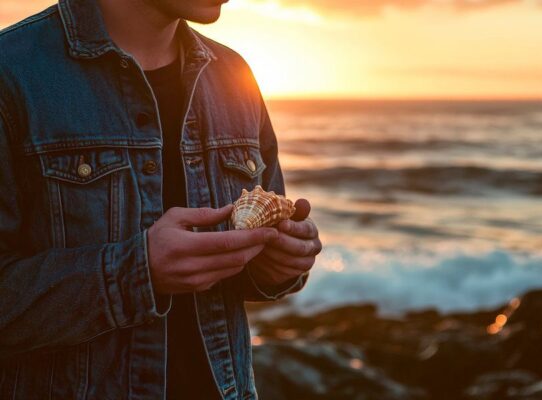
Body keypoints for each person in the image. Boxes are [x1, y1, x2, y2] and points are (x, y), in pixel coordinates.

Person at [0, 0, 322, 398]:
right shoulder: (11, 73)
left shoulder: (233, 74)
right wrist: (139, 273)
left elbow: (248, 263)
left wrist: (279, 264)